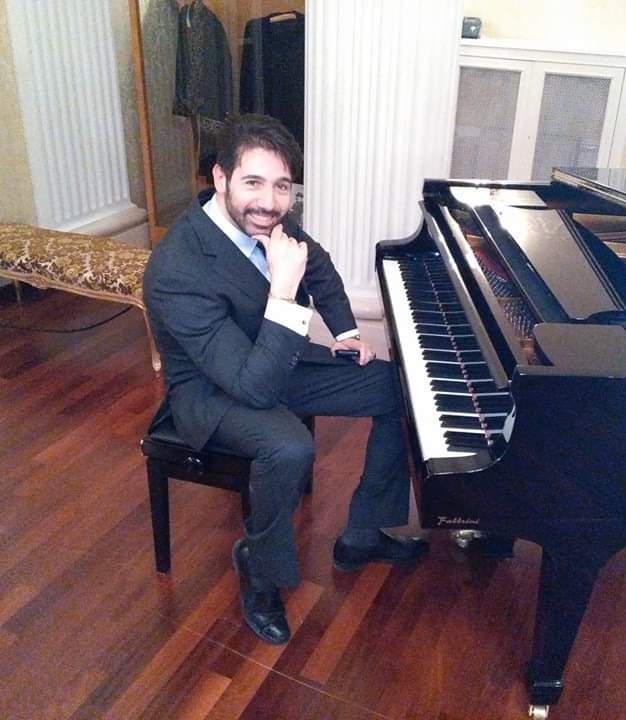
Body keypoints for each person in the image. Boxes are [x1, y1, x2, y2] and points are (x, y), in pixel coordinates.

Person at [143, 113, 428, 645]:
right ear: (220, 177)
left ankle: (364, 532)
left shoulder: (269, 220)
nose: (270, 202)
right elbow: (253, 389)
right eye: (253, 182)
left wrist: (346, 332)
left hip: (273, 360)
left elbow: (317, 266)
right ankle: (259, 565)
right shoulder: (177, 268)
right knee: (290, 446)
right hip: (212, 390)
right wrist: (281, 290)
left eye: (282, 186)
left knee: (397, 387)